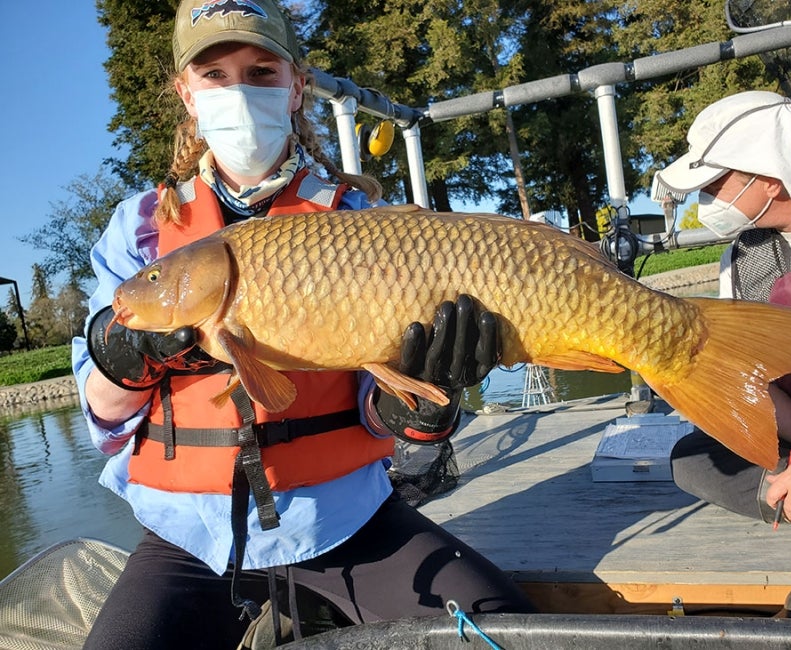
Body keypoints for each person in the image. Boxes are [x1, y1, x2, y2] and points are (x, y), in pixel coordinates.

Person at [71, 2, 533, 648]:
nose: (238, 91)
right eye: (214, 74)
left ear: (295, 85)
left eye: (260, 71)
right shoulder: (140, 229)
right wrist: (121, 360)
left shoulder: (360, 217)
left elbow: (380, 409)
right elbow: (103, 420)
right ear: (186, 92)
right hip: (191, 542)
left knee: (510, 634)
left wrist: (420, 413)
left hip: (346, 521)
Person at [654, 90, 791, 617]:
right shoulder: (742, 258)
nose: (705, 202)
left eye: (713, 185)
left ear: (768, 180)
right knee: (694, 460)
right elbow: (754, 381)